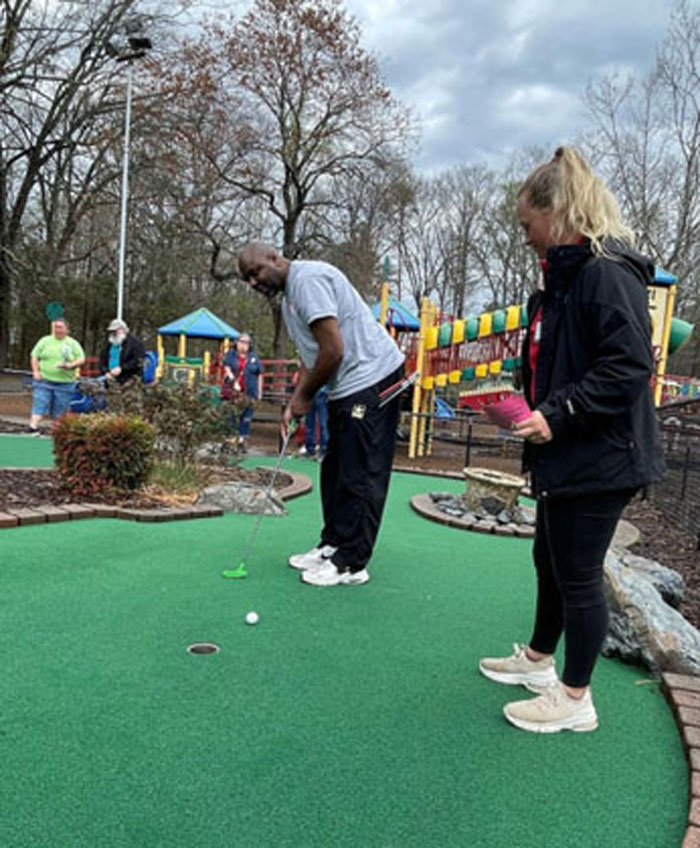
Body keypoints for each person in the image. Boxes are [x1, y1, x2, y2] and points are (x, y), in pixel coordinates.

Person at [479, 146, 665, 733]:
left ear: (557, 212)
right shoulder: (562, 281)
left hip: (602, 454)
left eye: (527, 224)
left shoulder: (606, 274)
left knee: (579, 574)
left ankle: (576, 698)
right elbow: (562, 362)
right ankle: (539, 660)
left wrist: (558, 414)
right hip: (568, 449)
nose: (525, 236)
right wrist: (525, 406)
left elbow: (628, 366)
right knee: (549, 558)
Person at [238, 242, 405, 587]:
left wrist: (305, 396)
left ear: (274, 258)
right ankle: (333, 544)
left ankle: (352, 563)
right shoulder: (289, 299)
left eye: (255, 272)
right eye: (247, 279)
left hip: (373, 377)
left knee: (361, 470)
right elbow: (313, 355)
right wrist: (296, 400)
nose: (253, 283)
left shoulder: (307, 281)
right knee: (335, 468)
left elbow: (334, 350)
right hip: (348, 385)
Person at [29, 318, 86, 433]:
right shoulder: (45, 341)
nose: (57, 330)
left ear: (67, 330)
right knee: (40, 402)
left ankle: (56, 431)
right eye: (55, 327)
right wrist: (36, 371)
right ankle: (32, 427)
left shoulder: (73, 344)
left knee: (60, 410)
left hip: (65, 383)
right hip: (44, 381)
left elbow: (81, 359)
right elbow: (34, 356)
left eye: (60, 327)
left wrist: (70, 365)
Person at [222, 332, 264, 453]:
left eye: (247, 343)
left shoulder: (254, 357)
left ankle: (241, 441)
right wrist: (233, 380)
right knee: (230, 416)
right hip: (233, 392)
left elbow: (260, 374)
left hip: (250, 391)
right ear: (237, 342)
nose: (244, 345)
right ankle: (229, 441)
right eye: (242, 342)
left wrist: (259, 392)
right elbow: (227, 368)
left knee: (246, 417)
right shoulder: (231, 355)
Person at [98, 319, 146, 385]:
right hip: (110, 379)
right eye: (112, 331)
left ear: (123, 330)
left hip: (129, 379)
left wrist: (122, 368)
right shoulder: (109, 344)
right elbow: (102, 359)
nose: (113, 333)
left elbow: (138, 360)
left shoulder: (136, 344)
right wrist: (105, 372)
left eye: (115, 330)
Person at [299, 386, 329, 460]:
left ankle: (324, 450)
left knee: (323, 423)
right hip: (311, 393)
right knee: (309, 423)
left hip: (322, 393)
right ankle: (310, 449)